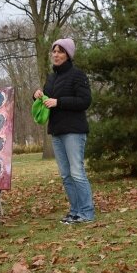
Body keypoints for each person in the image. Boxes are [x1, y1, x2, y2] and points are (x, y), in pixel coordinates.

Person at [33, 37, 95, 224]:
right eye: (54, 51)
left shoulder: (78, 75)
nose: (56, 54)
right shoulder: (51, 78)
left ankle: (87, 212)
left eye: (60, 51)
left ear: (68, 55)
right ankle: (75, 210)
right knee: (66, 175)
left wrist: (59, 102)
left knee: (77, 172)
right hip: (57, 130)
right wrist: (37, 95)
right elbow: (47, 101)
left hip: (74, 130)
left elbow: (85, 101)